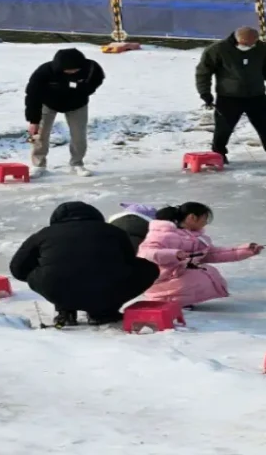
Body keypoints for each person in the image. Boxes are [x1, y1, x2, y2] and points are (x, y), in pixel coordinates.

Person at [9, 201, 160, 327]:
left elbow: (17, 268)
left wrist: (41, 274)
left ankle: (65, 309)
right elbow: (128, 260)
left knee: (53, 275)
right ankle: (103, 312)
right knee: (149, 269)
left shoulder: (43, 234)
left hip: (57, 289)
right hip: (107, 289)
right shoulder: (114, 231)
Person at [195, 26, 266, 165]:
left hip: (256, 95)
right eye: (247, 44)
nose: (251, 46)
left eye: (253, 43)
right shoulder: (217, 49)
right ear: (238, 39)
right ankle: (218, 154)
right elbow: (203, 72)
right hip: (229, 96)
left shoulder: (261, 49)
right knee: (223, 128)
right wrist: (205, 93)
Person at [137, 202, 263, 309]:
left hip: (175, 275)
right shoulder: (163, 234)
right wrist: (174, 254)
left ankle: (180, 301)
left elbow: (213, 254)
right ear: (192, 217)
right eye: (204, 218)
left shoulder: (194, 237)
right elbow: (146, 253)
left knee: (208, 271)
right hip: (161, 278)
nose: (206, 222)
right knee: (194, 276)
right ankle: (166, 299)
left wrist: (246, 250)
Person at [25, 48, 105, 178]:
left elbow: (94, 84)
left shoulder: (91, 68)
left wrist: (75, 86)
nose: (72, 72)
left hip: (77, 104)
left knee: (79, 135)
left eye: (75, 69)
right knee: (40, 134)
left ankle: (76, 163)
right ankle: (38, 165)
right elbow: (32, 96)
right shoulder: (44, 72)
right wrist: (33, 120)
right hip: (48, 103)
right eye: (68, 70)